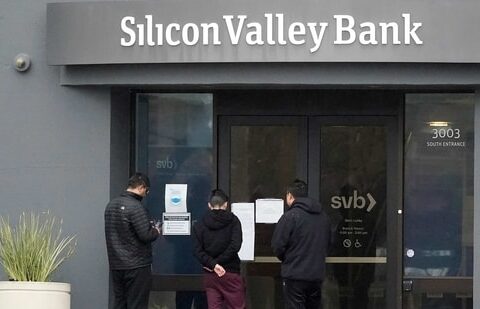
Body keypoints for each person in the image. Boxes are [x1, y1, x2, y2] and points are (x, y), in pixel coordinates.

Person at [271, 179, 333, 309]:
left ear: (289, 195)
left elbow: (277, 246)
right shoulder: (324, 217)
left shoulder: (290, 217)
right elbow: (328, 243)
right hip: (316, 275)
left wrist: (288, 259)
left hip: (295, 275)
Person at [105, 172, 161, 309]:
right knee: (137, 304)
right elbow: (145, 235)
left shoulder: (111, 205)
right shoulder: (136, 207)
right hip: (137, 265)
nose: (146, 194)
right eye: (146, 191)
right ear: (141, 187)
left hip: (117, 264)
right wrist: (157, 231)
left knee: (120, 302)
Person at [192, 189, 246, 309]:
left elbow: (197, 250)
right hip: (230, 272)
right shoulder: (233, 221)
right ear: (226, 204)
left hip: (210, 274)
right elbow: (235, 245)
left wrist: (213, 265)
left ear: (209, 205)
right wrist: (219, 263)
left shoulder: (199, 224)